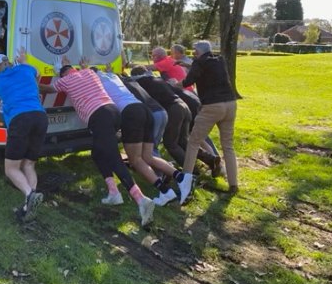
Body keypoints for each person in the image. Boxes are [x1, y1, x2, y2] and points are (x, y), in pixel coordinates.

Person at [39, 57, 155, 226]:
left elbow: (49, 89)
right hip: (114, 112)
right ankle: (113, 192)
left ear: (62, 73)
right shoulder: (88, 73)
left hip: (99, 117)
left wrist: (32, 84)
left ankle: (141, 199)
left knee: (113, 157)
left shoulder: (65, 80)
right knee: (98, 152)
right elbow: (84, 70)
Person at [93, 66, 189, 207]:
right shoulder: (112, 76)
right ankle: (181, 177)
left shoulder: (96, 80)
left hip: (130, 113)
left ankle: (165, 192)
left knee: (135, 160)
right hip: (145, 109)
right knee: (148, 157)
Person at [0, 49, 48, 222]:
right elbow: (36, 75)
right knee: (29, 164)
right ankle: (28, 206)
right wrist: (23, 61)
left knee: (11, 169)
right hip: (40, 117)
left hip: (20, 119)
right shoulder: (26, 69)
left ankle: (30, 195)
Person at [181, 40, 239, 193]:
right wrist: (189, 64)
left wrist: (175, 83)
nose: (193, 54)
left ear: (197, 52)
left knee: (193, 142)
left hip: (212, 106)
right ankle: (233, 184)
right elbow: (205, 68)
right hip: (230, 104)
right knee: (228, 145)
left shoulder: (199, 64)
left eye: (194, 51)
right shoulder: (219, 60)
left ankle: (186, 181)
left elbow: (187, 82)